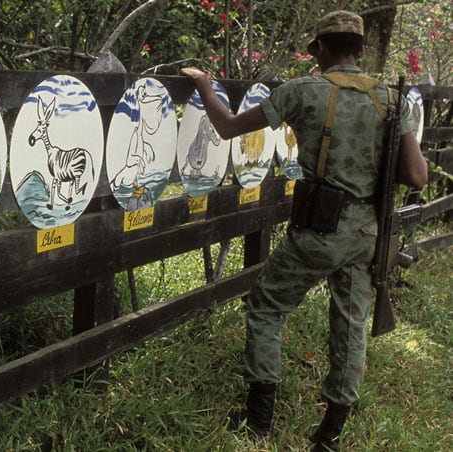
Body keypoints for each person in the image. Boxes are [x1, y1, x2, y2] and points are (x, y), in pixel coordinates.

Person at [179, 10, 428, 451]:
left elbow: (228, 127)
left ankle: (259, 420)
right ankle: (329, 435)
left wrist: (202, 82)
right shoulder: (391, 99)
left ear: (318, 49)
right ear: (361, 50)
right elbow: (418, 175)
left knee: (267, 303)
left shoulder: (303, 91)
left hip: (320, 227)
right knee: (350, 327)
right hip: (368, 232)